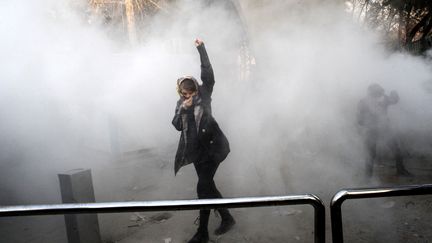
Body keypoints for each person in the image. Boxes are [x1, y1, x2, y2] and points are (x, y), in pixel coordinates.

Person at [172, 38, 235, 243]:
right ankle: (227, 218)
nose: (187, 97)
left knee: (203, 187)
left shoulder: (204, 95)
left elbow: (208, 75)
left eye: (189, 94)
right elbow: (177, 125)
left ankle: (202, 232)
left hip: (214, 150)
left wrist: (201, 48)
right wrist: (183, 109)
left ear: (196, 91)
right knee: (208, 186)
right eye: (183, 94)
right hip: (197, 153)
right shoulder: (180, 104)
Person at [357, 83, 412, 177]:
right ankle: (367, 177)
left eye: (380, 93)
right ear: (372, 93)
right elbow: (360, 120)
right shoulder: (363, 102)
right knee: (370, 154)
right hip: (372, 131)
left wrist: (395, 94)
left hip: (384, 129)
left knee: (396, 149)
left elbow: (394, 100)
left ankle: (401, 170)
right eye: (378, 93)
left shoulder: (383, 98)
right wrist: (371, 122)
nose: (380, 95)